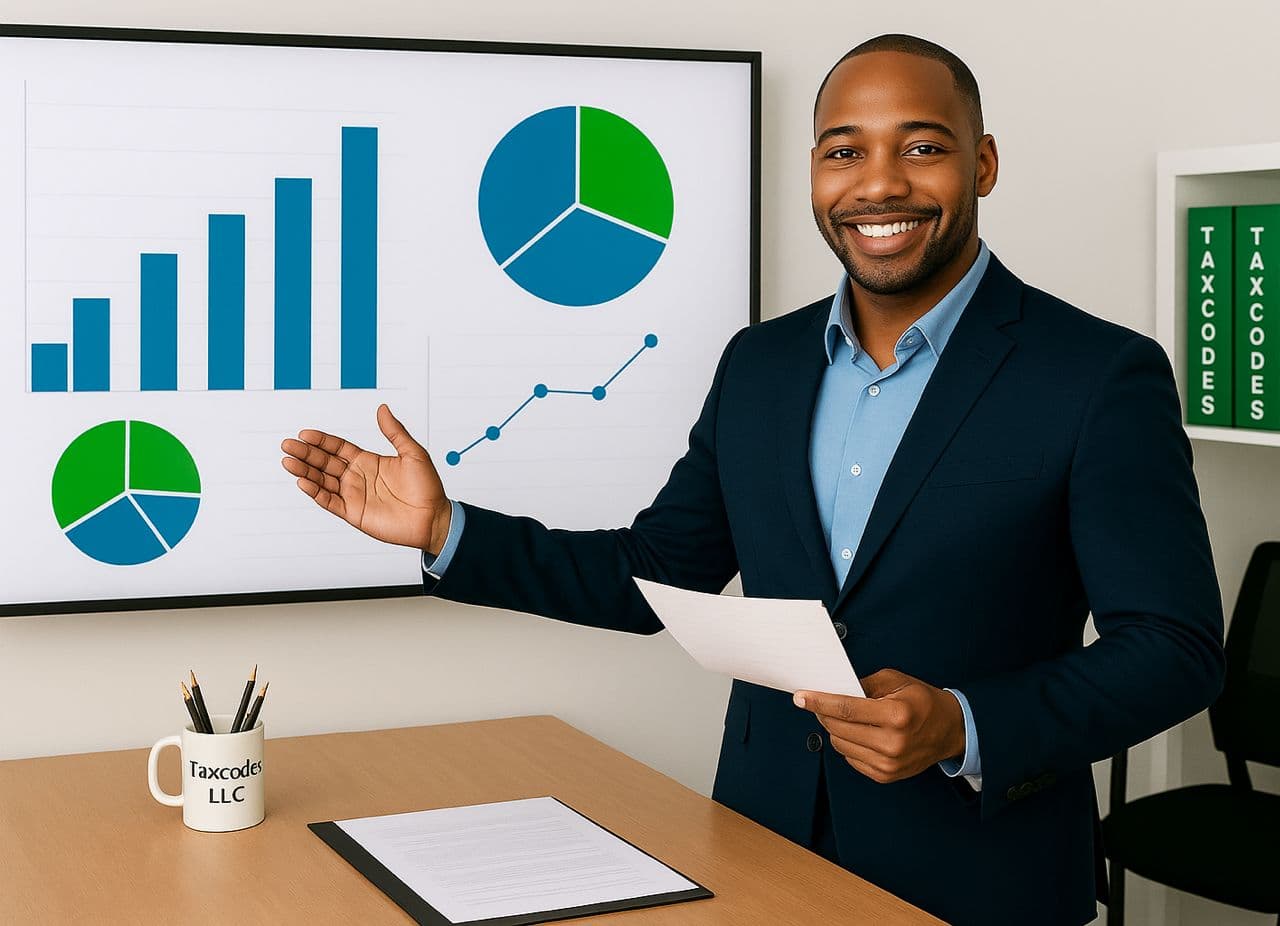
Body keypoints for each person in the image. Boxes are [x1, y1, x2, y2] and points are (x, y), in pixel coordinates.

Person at [281, 33, 1225, 926]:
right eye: (844, 152)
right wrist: (449, 533)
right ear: (815, 173)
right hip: (761, 852)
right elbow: (655, 575)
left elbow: (1176, 648)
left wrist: (964, 724)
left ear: (981, 165)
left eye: (923, 147)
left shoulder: (1098, 376)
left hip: (979, 879)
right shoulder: (762, 366)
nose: (880, 183)